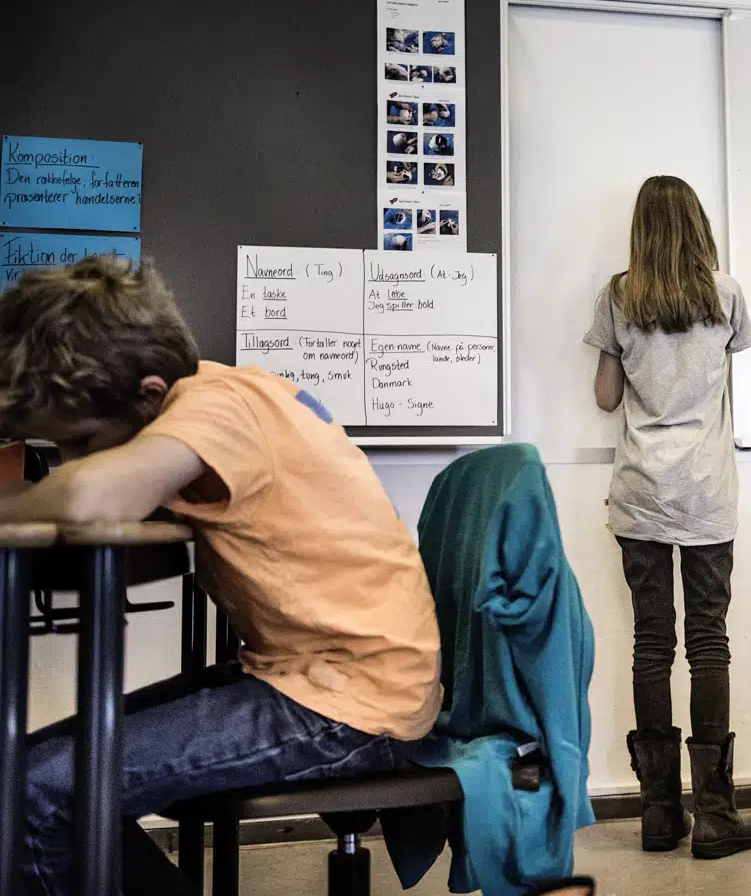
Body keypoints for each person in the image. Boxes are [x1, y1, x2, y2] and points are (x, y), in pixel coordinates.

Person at [4, 257, 442, 896]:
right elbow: (120, 537)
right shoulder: (223, 396)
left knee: (35, 794)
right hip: (314, 677)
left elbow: (87, 500)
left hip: (349, 702)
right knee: (23, 777)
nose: (71, 462)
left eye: (82, 441)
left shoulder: (220, 408)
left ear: (149, 395)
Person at [583, 175, 751, 859]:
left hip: (640, 493)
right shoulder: (725, 294)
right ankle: (716, 813)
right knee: (709, 641)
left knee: (651, 644)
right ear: (696, 223)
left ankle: (659, 814)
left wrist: (630, 364)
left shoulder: (618, 294)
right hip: (707, 493)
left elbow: (605, 397)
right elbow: (729, 380)